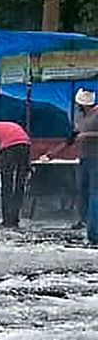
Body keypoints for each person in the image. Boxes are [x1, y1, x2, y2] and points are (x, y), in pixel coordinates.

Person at [0, 118, 32, 228]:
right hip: (25, 145)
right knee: (20, 185)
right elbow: (0, 146)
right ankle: (15, 219)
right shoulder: (6, 126)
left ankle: (7, 221)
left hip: (10, 148)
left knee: (7, 185)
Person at [71, 88, 98, 241]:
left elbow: (83, 134)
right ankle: (87, 224)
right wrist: (50, 154)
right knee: (82, 192)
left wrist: (87, 135)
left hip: (96, 158)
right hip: (85, 158)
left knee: (95, 194)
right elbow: (72, 138)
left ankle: (94, 233)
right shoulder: (82, 117)